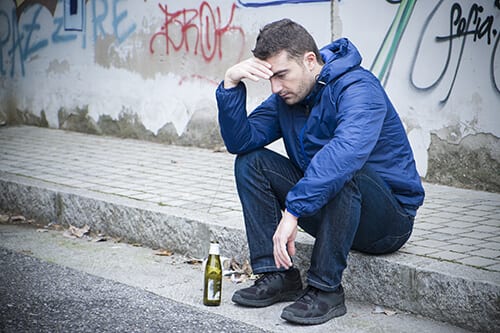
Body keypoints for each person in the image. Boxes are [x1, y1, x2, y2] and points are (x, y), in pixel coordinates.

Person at [215, 18, 425, 325]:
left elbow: (344, 155)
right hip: (331, 209)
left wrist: (293, 211)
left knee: (342, 170)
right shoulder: (289, 97)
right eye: (270, 78)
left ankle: (326, 291)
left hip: (386, 223)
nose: (275, 88)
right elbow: (241, 141)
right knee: (251, 162)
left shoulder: (358, 89)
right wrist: (231, 84)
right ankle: (278, 276)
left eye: (282, 75)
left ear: (310, 60)